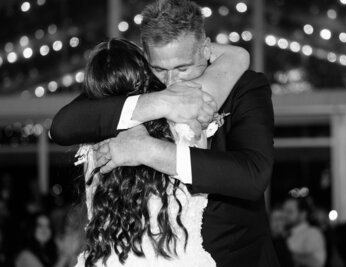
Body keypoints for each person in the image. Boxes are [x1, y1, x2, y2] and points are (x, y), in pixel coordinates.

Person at [50, 0, 277, 266]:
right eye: (159, 69)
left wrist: (147, 151)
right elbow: (63, 126)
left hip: (234, 257)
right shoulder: (141, 86)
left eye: (182, 68)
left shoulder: (245, 88)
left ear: (205, 49)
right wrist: (162, 102)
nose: (172, 82)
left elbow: (252, 175)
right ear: (147, 59)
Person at [73, 38, 246, 266]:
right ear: (147, 76)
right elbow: (237, 57)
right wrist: (178, 49)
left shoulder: (90, 148)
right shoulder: (184, 125)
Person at [14, 212, 79, 267]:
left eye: (48, 226)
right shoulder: (25, 255)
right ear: (31, 228)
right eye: (40, 226)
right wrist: (64, 257)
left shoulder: (48, 252)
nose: (45, 230)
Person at [283, 192, 326, 267]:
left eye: (289, 212)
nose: (285, 215)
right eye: (284, 211)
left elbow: (317, 262)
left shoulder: (312, 233)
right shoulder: (285, 233)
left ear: (303, 214)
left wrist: (287, 255)